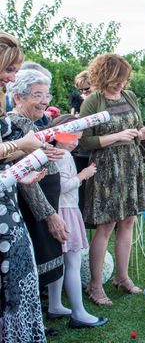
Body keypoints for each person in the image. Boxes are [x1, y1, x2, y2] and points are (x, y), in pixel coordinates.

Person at [78, 54, 145, 306]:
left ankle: (122, 277)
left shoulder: (129, 97)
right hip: (106, 167)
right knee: (106, 225)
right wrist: (117, 136)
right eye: (115, 80)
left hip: (130, 164)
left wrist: (141, 133)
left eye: (123, 79)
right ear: (104, 77)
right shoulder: (92, 102)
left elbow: (137, 127)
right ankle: (95, 286)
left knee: (128, 221)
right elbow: (83, 141)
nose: (120, 84)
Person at [6, 69, 72, 323]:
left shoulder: (32, 123)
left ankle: (40, 318)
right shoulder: (16, 127)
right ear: (18, 97)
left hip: (46, 204)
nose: (45, 101)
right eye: (37, 95)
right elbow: (26, 180)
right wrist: (50, 215)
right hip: (34, 210)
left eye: (46, 95)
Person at [0, 31, 51, 341]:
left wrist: (20, 171)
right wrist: (22, 144)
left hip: (7, 199)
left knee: (19, 280)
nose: (13, 77)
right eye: (9, 69)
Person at [51, 114, 108, 329]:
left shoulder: (54, 153)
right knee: (72, 263)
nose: (76, 141)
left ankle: (56, 304)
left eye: (78, 137)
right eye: (72, 136)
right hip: (66, 211)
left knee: (59, 262)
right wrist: (83, 175)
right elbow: (62, 187)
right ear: (59, 134)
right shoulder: (63, 156)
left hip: (60, 210)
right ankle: (79, 312)